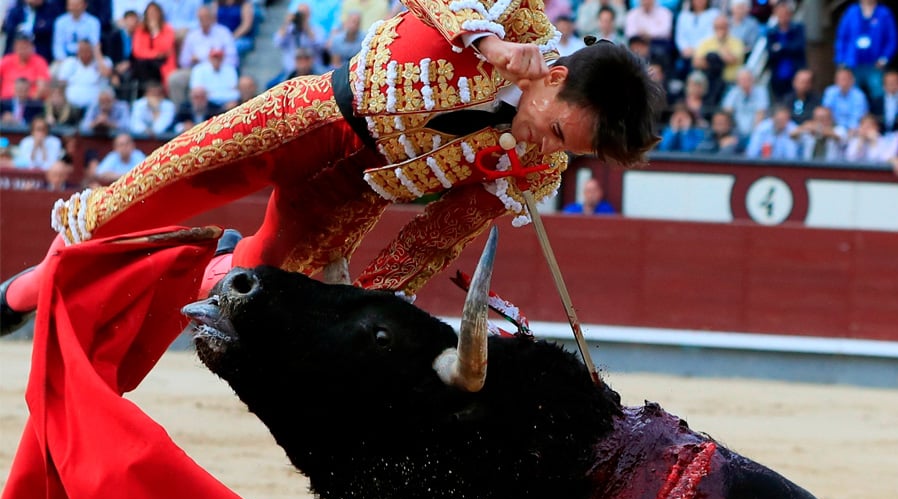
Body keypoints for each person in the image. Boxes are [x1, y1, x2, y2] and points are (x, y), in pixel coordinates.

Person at [1, 1, 662, 337]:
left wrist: (373, 310)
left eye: (566, 151)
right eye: (553, 130)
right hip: (304, 122)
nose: (548, 152)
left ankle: (208, 264)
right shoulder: (515, 18)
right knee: (126, 205)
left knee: (236, 297)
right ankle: (18, 295)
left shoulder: (533, 173)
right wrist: (489, 43)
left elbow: (435, 235)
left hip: (347, 199)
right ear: (551, 77)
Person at [170, 5, 238, 105]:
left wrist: (215, 62)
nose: (204, 20)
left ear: (212, 17)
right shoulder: (192, 35)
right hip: (195, 70)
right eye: (201, 18)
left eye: (206, 17)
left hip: (220, 68)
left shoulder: (223, 32)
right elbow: (183, 61)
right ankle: (183, 114)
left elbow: (233, 59)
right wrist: (192, 60)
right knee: (174, 79)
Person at [834, 0, 898, 102]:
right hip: (853, 63)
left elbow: (891, 39)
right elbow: (842, 37)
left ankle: (877, 115)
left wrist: (884, 58)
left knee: (878, 92)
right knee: (853, 93)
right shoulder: (851, 11)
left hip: (875, 64)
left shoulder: (884, 13)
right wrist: (841, 59)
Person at [692, 14, 744, 97]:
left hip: (730, 82)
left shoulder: (737, 42)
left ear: (728, 27)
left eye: (723, 27)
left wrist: (719, 48)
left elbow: (733, 59)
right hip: (709, 81)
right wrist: (716, 60)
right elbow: (697, 62)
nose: (721, 30)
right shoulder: (706, 42)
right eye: (718, 27)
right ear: (713, 28)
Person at [131, 2, 178, 91]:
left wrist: (155, 32)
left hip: (164, 63)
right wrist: (156, 54)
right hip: (146, 64)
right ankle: (147, 93)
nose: (152, 15)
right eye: (150, 13)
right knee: (142, 65)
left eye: (155, 12)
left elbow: (166, 48)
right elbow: (137, 51)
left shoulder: (167, 29)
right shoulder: (140, 30)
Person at [765, 0, 805, 100]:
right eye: (780, 14)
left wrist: (780, 47)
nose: (783, 16)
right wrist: (786, 47)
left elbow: (798, 47)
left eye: (785, 13)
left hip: (795, 71)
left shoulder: (797, 28)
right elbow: (770, 52)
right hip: (778, 74)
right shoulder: (772, 32)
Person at [57, 38, 113, 110]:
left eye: (87, 50)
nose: (84, 53)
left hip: (95, 108)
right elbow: (61, 84)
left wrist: (98, 55)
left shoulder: (104, 61)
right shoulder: (70, 62)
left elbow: (106, 74)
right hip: (71, 108)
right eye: (81, 50)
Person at [274, 3, 325, 80]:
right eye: (299, 14)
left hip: (313, 71)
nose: (301, 17)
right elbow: (277, 42)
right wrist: (286, 23)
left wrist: (307, 28)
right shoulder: (288, 30)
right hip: (290, 71)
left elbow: (320, 46)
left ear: (309, 15)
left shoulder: (317, 30)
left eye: (303, 14)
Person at [721, 67, 768, 142]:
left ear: (753, 80)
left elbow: (760, 114)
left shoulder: (761, 92)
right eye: (742, 79)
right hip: (736, 131)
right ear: (737, 81)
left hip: (755, 132)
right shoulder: (733, 92)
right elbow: (727, 111)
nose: (745, 82)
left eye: (747, 79)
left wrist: (754, 136)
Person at [0, 33, 50, 100]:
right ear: (15, 47)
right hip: (6, 102)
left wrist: (27, 104)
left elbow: (42, 87)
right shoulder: (7, 60)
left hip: (30, 103)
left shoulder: (39, 62)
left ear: (32, 47)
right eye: (20, 46)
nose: (23, 50)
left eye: (26, 46)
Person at [821, 65, 868, 133]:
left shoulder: (859, 95)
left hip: (854, 130)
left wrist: (851, 130)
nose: (843, 82)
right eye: (841, 79)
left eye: (846, 79)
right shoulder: (830, 91)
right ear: (836, 81)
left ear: (852, 81)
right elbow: (826, 111)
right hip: (833, 127)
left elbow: (859, 116)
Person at [870, 70, 898, 134]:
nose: (892, 85)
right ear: (884, 85)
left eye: (895, 82)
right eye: (889, 82)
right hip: (880, 138)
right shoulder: (876, 103)